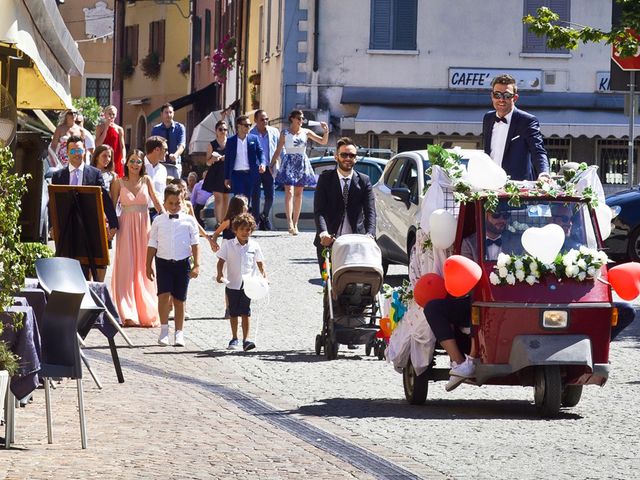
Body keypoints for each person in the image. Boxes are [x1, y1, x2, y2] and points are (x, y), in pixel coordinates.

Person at [425, 208, 511, 392]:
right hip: (477, 297)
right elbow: (468, 278)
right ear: (485, 216)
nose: (501, 219)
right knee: (434, 307)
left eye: (505, 215)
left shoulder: (515, 241)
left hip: (510, 301)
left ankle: (472, 358)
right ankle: (461, 362)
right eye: (496, 215)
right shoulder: (469, 242)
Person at [51, 135, 118, 281]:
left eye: (79, 150)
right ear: (67, 153)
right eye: (73, 151)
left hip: (89, 228)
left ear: (84, 152)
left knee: (87, 267)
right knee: (67, 266)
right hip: (66, 229)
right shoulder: (58, 176)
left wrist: (113, 223)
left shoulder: (94, 174)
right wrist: (51, 226)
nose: (76, 154)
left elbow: (105, 199)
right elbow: (53, 203)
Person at [110, 149, 164, 327]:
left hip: (143, 228)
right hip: (125, 227)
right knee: (126, 266)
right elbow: (111, 208)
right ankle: (127, 311)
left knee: (143, 266)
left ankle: (145, 310)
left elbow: (156, 202)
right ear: (126, 163)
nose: (134, 165)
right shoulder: (118, 182)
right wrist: (109, 228)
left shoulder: (146, 180)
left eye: (138, 162)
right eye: (132, 161)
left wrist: (168, 221)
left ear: (142, 164)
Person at [146, 184, 200, 347]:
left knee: (179, 299)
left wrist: (196, 264)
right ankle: (163, 330)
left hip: (182, 263)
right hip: (163, 262)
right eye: (171, 203)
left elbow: (196, 243)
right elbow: (152, 243)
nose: (175, 206)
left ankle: (179, 333)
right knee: (163, 296)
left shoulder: (189, 221)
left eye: (178, 203)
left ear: (182, 202)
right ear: (164, 202)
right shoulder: (158, 221)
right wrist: (147, 264)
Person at [313, 137, 376, 273]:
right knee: (328, 283)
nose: (348, 158)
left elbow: (370, 211)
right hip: (329, 241)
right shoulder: (325, 179)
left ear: (356, 158)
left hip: (356, 241)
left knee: (352, 282)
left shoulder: (364, 181)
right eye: (344, 154)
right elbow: (319, 211)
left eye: (351, 155)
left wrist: (370, 234)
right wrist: (323, 233)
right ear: (336, 157)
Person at [482, 74, 549, 181]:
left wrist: (544, 173)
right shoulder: (488, 118)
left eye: (507, 96)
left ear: (515, 98)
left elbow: (538, 151)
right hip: (491, 184)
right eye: (497, 95)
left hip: (517, 187)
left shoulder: (527, 121)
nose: (501, 99)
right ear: (492, 96)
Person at [216, 212, 266, 352]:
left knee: (246, 312)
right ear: (235, 230)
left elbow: (260, 263)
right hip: (232, 284)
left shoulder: (254, 246)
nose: (245, 232)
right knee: (233, 312)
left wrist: (264, 277)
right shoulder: (229, 245)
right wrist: (219, 274)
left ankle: (246, 339)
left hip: (248, 285)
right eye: (242, 229)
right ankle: (234, 337)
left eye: (248, 230)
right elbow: (221, 261)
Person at [273, 109, 329, 235]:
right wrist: (271, 164)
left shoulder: (306, 132)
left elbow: (323, 141)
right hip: (289, 161)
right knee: (289, 192)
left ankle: (296, 223)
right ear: (292, 118)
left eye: (302, 118)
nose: (301, 120)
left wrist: (326, 131)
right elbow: (278, 150)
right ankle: (289, 223)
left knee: (298, 194)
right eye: (298, 118)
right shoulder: (285, 133)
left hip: (301, 162)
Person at [249, 110, 281, 230]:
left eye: (267, 119)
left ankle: (264, 216)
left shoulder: (274, 132)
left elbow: (279, 148)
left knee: (270, 195)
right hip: (255, 168)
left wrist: (283, 162)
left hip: (269, 167)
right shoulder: (251, 133)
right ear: (255, 120)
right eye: (262, 119)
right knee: (255, 195)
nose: (265, 121)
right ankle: (256, 220)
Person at [224, 115, 267, 200]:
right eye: (246, 125)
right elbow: (227, 160)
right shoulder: (231, 141)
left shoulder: (254, 138)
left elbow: (260, 152)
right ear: (239, 126)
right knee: (239, 199)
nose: (249, 127)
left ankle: (245, 213)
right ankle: (240, 213)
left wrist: (262, 163)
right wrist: (226, 178)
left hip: (250, 174)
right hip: (236, 175)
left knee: (248, 199)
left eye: (250, 125)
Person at [203, 120, 232, 224]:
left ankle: (224, 222)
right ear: (216, 131)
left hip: (227, 172)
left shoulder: (230, 143)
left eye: (225, 129)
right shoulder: (212, 144)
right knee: (218, 198)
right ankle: (218, 222)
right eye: (220, 129)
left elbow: (235, 158)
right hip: (216, 172)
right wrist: (213, 159)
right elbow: (207, 162)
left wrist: (227, 158)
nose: (223, 131)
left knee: (226, 198)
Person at [151, 102, 186, 178]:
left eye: (170, 112)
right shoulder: (156, 129)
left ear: (173, 113)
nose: (168, 115)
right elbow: (152, 147)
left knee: (174, 188)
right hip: (160, 164)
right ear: (162, 114)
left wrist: (175, 155)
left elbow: (182, 145)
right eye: (166, 112)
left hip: (174, 165)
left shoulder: (180, 128)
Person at [95, 105, 126, 177]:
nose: (111, 116)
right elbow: (97, 144)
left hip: (116, 158)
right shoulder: (100, 127)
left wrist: (123, 157)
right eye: (109, 114)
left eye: (113, 114)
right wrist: (106, 128)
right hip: (103, 158)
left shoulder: (119, 129)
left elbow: (122, 146)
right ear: (105, 114)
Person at [144, 136, 169, 222]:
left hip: (158, 213)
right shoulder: (137, 166)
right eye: (165, 149)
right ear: (157, 150)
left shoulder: (163, 169)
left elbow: (162, 193)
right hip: (141, 213)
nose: (167, 152)